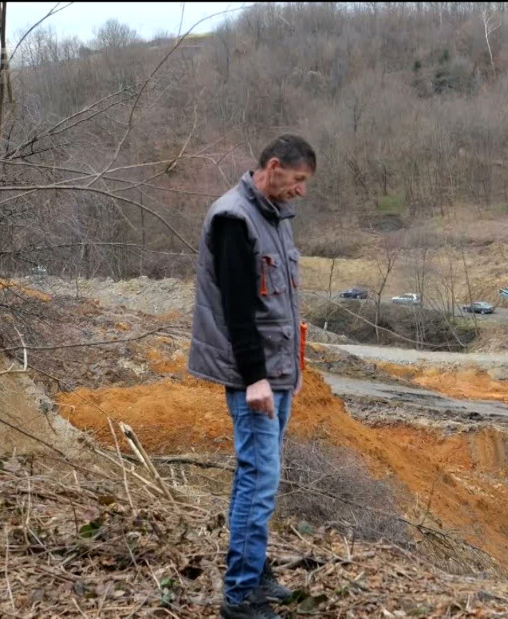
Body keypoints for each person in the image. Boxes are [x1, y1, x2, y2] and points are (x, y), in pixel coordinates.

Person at [188, 135, 316, 619]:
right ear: (275, 167)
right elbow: (237, 311)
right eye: (299, 180)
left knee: (259, 476)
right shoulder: (232, 218)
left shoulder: (274, 217)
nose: (301, 191)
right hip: (253, 376)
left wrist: (293, 369)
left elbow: (281, 305)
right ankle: (240, 596)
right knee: (259, 478)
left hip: (276, 372)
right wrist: (256, 378)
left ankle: (255, 571)